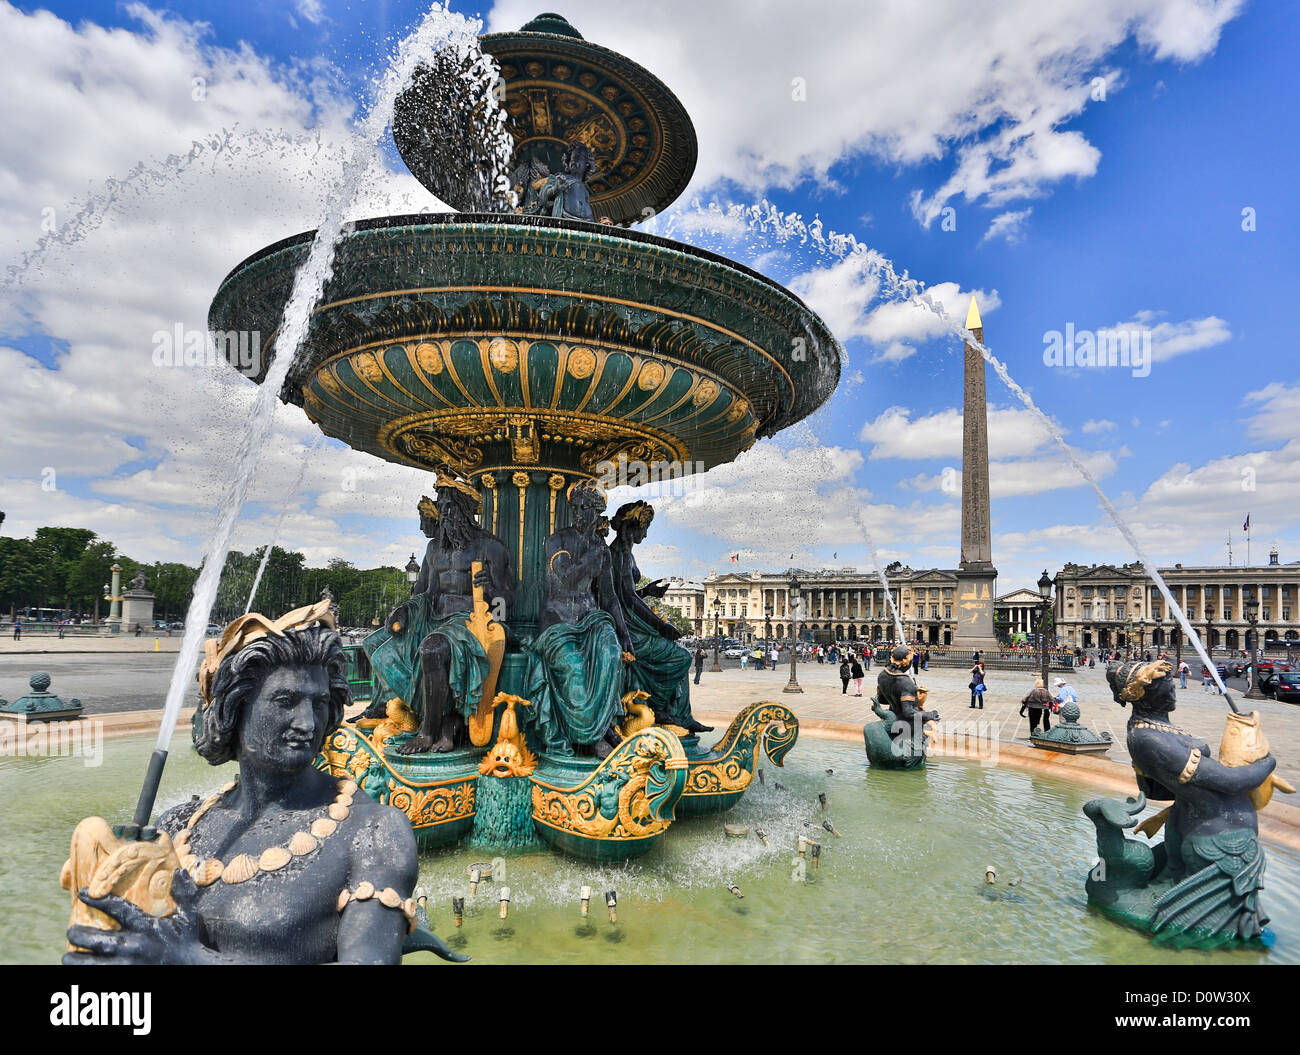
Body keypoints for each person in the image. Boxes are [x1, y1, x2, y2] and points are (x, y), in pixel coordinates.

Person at [63, 600, 434, 965]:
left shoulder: (373, 829)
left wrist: (191, 960)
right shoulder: (176, 828)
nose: (307, 723)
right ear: (233, 709)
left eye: (319, 703)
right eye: (285, 700)